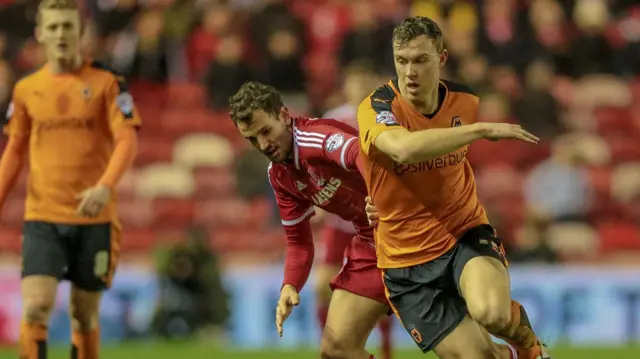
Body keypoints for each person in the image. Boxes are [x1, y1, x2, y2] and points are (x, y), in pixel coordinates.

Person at [356, 16, 548, 359]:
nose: (410, 72)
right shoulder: (377, 107)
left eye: (420, 60)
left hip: (462, 232)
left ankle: (531, 349)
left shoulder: (464, 100)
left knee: (492, 314)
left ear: (441, 58)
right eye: (402, 61)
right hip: (405, 262)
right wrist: (480, 130)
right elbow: (403, 148)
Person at [0, 0, 140, 358]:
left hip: (95, 217)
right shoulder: (26, 89)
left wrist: (105, 185)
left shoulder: (108, 83)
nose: (61, 34)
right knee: (35, 307)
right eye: (53, 27)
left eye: (67, 26)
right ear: (40, 34)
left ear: (80, 32)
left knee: (83, 314)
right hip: (43, 217)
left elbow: (127, 140)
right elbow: (14, 151)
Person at [229, 81, 390, 359]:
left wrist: (378, 196)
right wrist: (290, 285)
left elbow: (360, 154)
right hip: (371, 241)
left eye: (266, 131)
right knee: (335, 351)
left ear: (283, 115)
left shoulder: (313, 138)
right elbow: (299, 243)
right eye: (252, 139)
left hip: (410, 228)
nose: (263, 145)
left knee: (470, 346)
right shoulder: (280, 176)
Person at [315, 62, 393, 359]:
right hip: (341, 220)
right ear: (345, 86)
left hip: (376, 218)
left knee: (384, 290)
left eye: (365, 79)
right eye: (354, 80)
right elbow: (317, 165)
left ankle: (386, 351)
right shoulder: (332, 119)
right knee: (323, 285)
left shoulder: (387, 118)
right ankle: (328, 345)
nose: (359, 86)